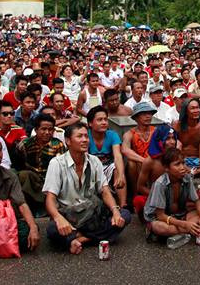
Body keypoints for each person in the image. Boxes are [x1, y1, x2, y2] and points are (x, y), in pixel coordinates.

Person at [43, 124, 131, 254]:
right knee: (52, 230)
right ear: (68, 141)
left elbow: (105, 191)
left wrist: (115, 211)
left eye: (86, 136)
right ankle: (99, 237)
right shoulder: (57, 164)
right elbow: (50, 198)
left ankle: (80, 239)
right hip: (69, 216)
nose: (85, 140)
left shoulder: (94, 161)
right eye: (79, 136)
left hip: (92, 216)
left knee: (124, 215)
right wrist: (58, 218)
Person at [143, 147, 200, 247]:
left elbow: (197, 202)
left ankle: (187, 229)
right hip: (162, 219)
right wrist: (185, 225)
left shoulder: (186, 177)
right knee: (159, 227)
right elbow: (160, 215)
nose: (182, 167)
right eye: (177, 164)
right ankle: (192, 229)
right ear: (167, 168)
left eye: (183, 163)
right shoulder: (160, 184)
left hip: (180, 215)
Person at [14, 114, 65, 212]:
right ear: (36, 130)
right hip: (32, 180)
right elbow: (18, 161)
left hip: (51, 181)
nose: (47, 132)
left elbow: (61, 168)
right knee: (23, 175)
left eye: (50, 130)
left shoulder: (58, 145)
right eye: (43, 129)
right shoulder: (26, 144)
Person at [86, 106, 126, 206]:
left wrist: (121, 175)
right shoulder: (85, 135)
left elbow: (117, 156)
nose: (104, 122)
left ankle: (123, 205)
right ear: (90, 123)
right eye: (99, 120)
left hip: (108, 166)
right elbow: (85, 158)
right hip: (91, 166)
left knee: (118, 170)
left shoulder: (112, 135)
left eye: (105, 119)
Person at [121, 102, 157, 198]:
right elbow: (125, 150)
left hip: (155, 163)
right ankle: (135, 193)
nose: (148, 116)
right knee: (131, 163)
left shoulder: (156, 131)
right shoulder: (130, 133)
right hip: (139, 165)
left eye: (149, 114)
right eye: (144, 114)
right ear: (136, 117)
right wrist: (144, 161)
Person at [174, 97, 200, 174]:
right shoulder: (177, 125)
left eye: (197, 108)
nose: (196, 111)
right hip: (181, 162)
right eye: (192, 108)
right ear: (186, 111)